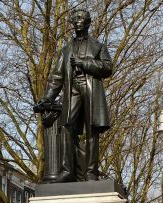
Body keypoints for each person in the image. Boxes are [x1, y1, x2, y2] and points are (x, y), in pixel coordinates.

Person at [34, 8, 113, 182]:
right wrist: (48, 98)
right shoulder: (65, 50)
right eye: (75, 18)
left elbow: (107, 68)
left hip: (91, 90)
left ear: (88, 22)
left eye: (81, 18)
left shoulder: (98, 46)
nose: (77, 21)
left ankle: (91, 172)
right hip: (72, 90)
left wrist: (84, 63)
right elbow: (56, 77)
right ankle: (66, 170)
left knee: (92, 131)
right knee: (66, 127)